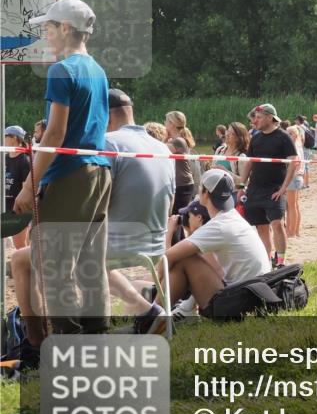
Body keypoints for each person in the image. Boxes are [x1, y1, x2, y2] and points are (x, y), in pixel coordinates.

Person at [12, 0, 111, 362]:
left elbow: (55, 133)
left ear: (66, 28)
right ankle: (97, 339)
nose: (46, 35)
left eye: (49, 28)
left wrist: (29, 185)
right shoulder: (98, 70)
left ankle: (69, 346)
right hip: (99, 173)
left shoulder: (61, 70)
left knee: (53, 264)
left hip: (70, 174)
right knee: (91, 263)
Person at [98, 89, 176, 331]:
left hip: (119, 246)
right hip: (155, 247)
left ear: (106, 115)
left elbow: (97, 203)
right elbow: (171, 202)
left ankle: (144, 312)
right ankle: (146, 311)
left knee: (64, 254)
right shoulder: (163, 148)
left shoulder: (108, 143)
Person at [155, 169, 271, 318]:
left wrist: (159, 282)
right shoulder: (232, 217)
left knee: (185, 258)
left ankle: (152, 317)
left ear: (205, 193)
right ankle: (183, 309)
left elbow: (168, 256)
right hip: (254, 296)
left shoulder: (219, 225)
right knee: (195, 256)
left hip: (240, 302)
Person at [243, 103, 297, 267]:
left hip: (274, 189)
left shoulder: (283, 137)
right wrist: (241, 185)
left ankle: (281, 262)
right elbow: (249, 163)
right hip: (255, 189)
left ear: (269, 117)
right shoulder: (255, 138)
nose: (255, 121)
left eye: (259, 117)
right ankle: (266, 261)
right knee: (261, 227)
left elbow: (294, 162)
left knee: (277, 224)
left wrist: (284, 188)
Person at [4, 126, 32, 249]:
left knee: (19, 245)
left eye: (5, 136)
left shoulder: (24, 161)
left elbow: (26, 188)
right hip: (5, 205)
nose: (2, 139)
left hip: (18, 207)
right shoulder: (4, 158)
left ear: (14, 138)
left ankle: (31, 261)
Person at [284, 122, 306, 239]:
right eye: (287, 133)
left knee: (291, 206)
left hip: (293, 177)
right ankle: (294, 231)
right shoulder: (298, 145)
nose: (288, 135)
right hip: (298, 177)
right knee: (294, 205)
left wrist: (287, 177)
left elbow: (296, 164)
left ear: (296, 135)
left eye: (290, 133)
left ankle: (291, 232)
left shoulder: (294, 147)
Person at [213, 122, 251, 187]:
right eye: (227, 131)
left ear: (238, 138)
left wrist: (226, 173)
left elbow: (245, 182)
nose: (227, 134)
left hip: (232, 192)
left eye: (232, 133)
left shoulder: (241, 157)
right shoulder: (219, 150)